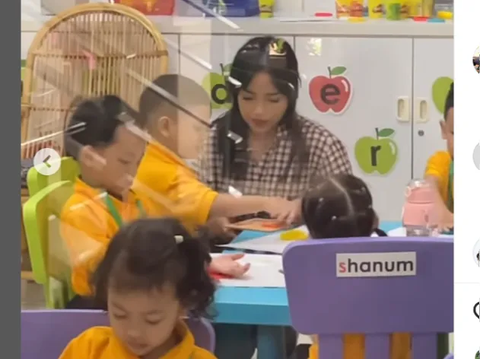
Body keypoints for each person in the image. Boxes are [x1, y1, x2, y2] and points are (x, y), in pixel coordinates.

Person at [60, 95, 249, 308]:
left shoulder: (135, 198)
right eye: (124, 161)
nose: (133, 172)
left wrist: (204, 263)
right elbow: (113, 276)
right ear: (89, 158)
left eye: (139, 161)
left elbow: (164, 244)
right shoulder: (80, 213)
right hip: (106, 311)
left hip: (141, 298)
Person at [134, 74, 300, 240]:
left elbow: (191, 207)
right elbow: (211, 202)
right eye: (197, 128)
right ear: (165, 127)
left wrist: (208, 219)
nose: (204, 136)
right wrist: (266, 203)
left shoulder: (164, 163)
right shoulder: (160, 172)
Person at [199, 36, 352, 203]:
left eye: (273, 100)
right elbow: (188, 206)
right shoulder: (210, 140)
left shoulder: (321, 146)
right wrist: (211, 218)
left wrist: (305, 209)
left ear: (290, 97)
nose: (259, 111)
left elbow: (350, 211)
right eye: (248, 98)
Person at [59, 217, 217, 359]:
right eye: (120, 315)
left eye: (152, 320)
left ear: (183, 304)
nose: (133, 332)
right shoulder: (89, 349)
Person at [301, 173, 410, 359]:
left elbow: (315, 336)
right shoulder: (406, 267)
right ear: (375, 220)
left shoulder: (308, 276)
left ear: (311, 233)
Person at [424, 82, 453, 231]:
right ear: (444, 129)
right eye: (455, 133)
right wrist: (440, 211)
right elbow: (430, 182)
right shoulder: (442, 161)